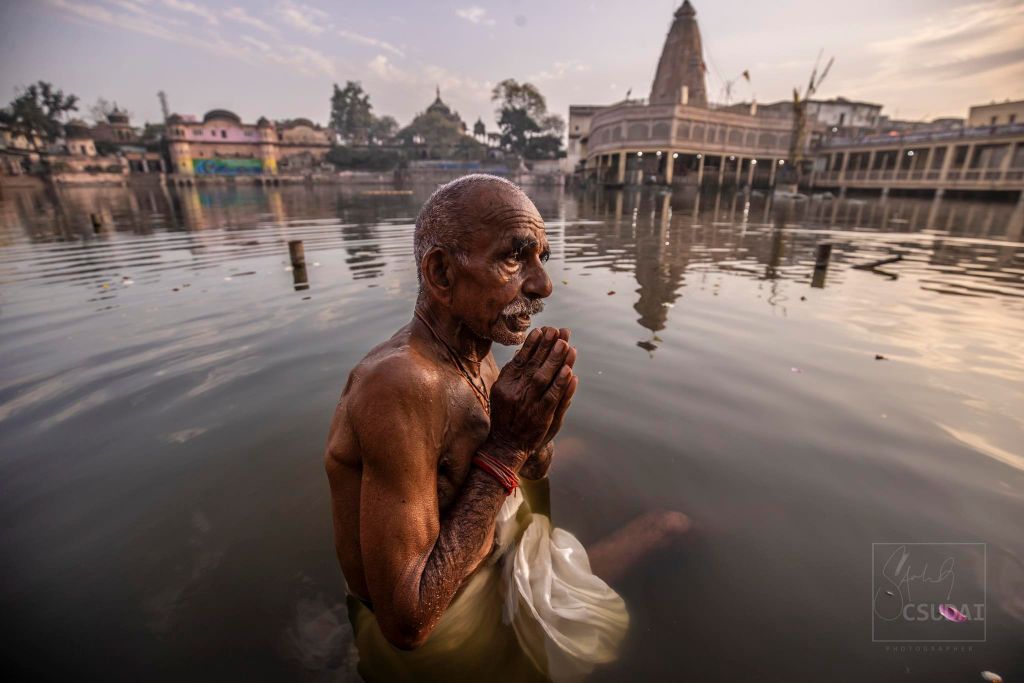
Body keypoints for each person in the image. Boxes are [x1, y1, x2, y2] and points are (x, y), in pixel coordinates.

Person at [325, 175, 684, 681]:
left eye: (543, 257)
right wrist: (510, 445)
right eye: (515, 258)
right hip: (447, 637)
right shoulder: (399, 385)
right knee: (667, 527)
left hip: (491, 567)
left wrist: (540, 431)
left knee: (630, 498)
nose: (542, 285)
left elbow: (524, 476)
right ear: (442, 273)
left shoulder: (479, 352)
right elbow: (407, 626)